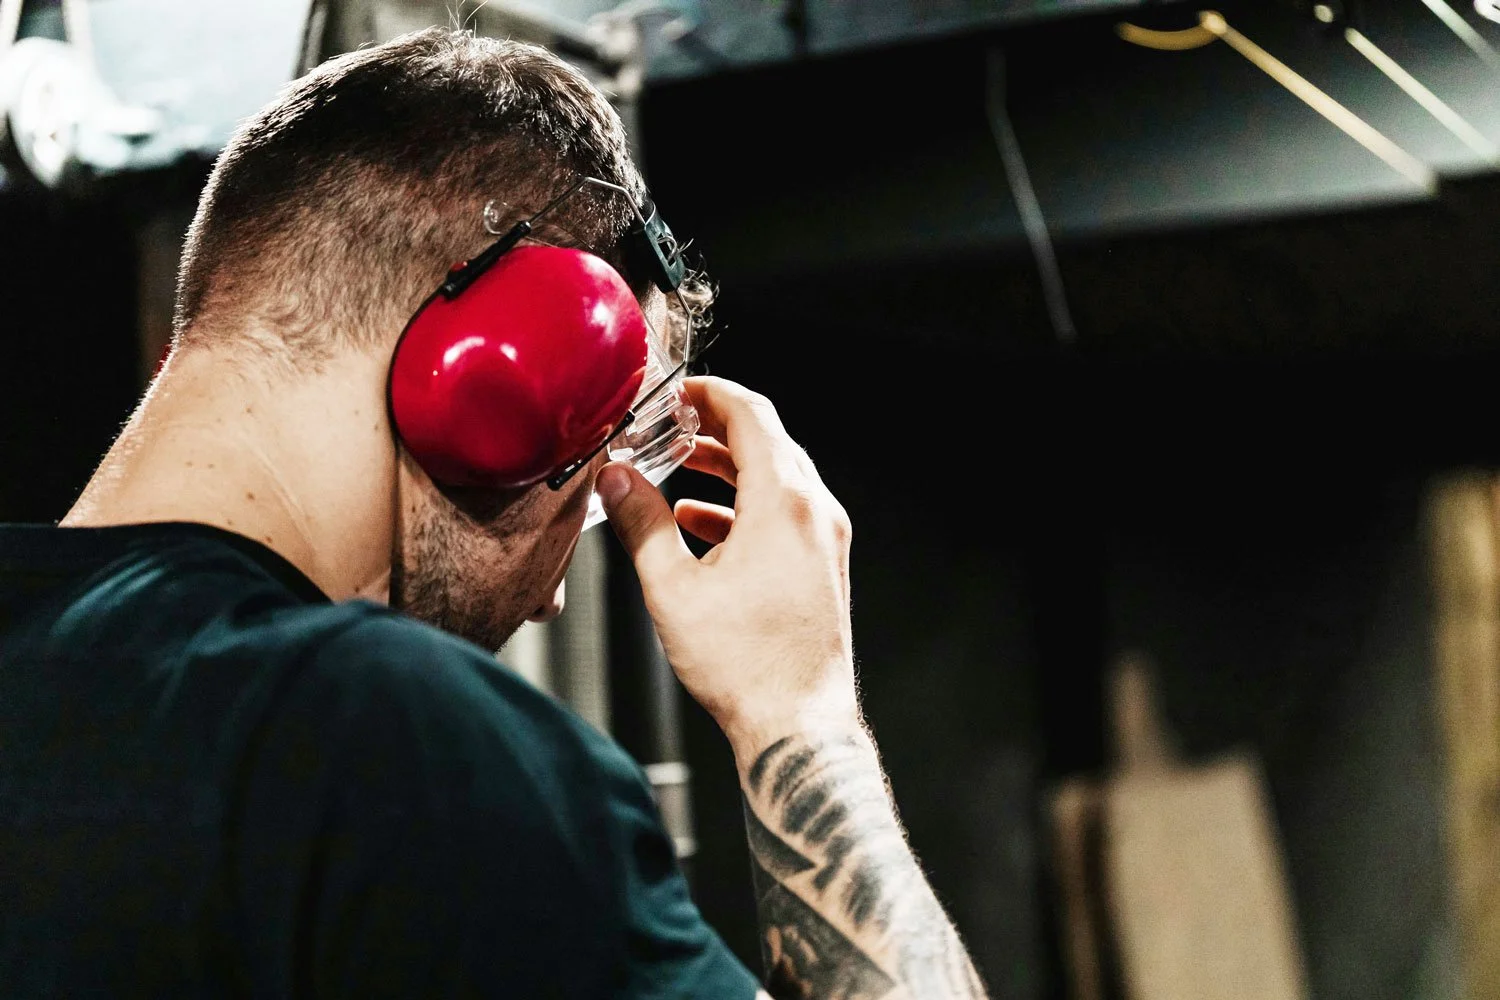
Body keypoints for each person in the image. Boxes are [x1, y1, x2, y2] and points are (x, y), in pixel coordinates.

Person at [0, 26, 988, 1000]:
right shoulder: (393, 746)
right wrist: (801, 710)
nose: (554, 595)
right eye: (598, 467)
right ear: (495, 373)